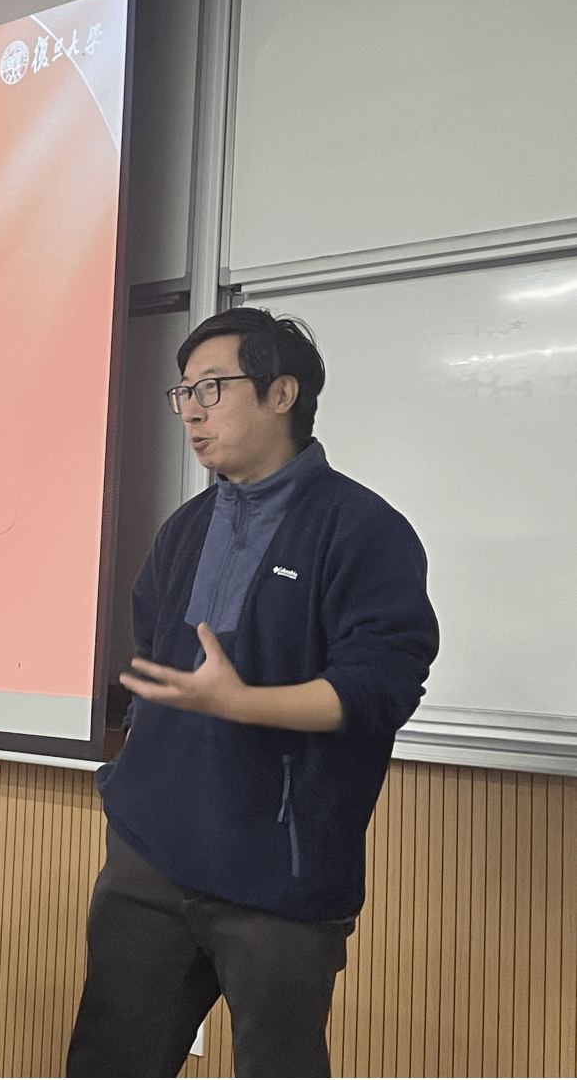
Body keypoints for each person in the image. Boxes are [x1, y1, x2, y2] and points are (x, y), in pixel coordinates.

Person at [66, 308, 439, 1078]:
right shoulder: (184, 528)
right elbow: (155, 664)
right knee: (106, 1061)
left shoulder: (362, 528)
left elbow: (381, 686)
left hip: (280, 875)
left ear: (281, 394)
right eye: (183, 392)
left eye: (212, 387)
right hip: (149, 858)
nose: (191, 410)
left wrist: (245, 703)